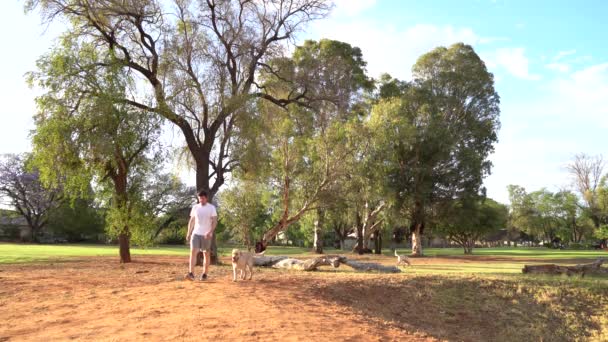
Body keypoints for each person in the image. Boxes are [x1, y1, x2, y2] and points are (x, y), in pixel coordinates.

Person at [185, 190, 218, 281]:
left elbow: (215, 221)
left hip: (206, 235)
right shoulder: (195, 207)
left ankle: (204, 274)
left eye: (203, 198)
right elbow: (192, 221)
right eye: (200, 198)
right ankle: (191, 273)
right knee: (193, 252)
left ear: (206, 198)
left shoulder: (211, 208)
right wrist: (189, 233)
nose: (201, 200)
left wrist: (210, 231)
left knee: (206, 254)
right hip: (196, 233)